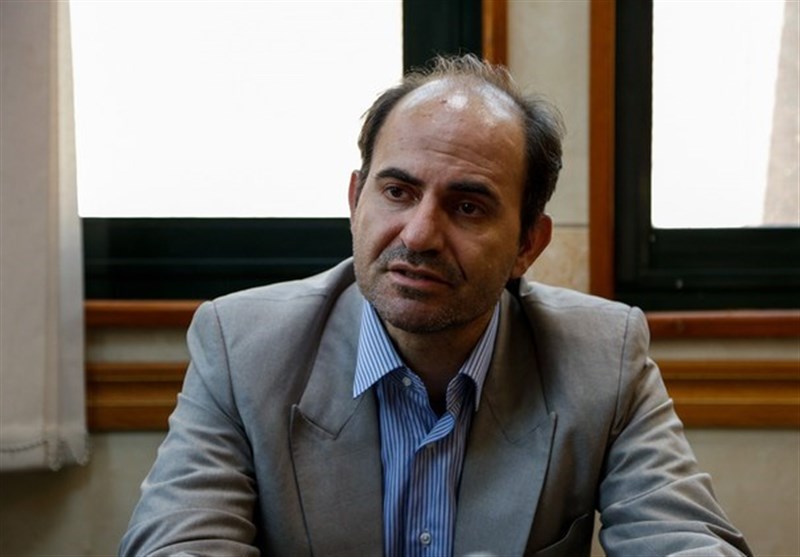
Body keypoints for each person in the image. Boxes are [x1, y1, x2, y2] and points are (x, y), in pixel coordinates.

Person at [120, 55, 751, 557]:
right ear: (355, 201)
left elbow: (684, 539)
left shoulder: (603, 357)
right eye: (397, 192)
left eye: (468, 206)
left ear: (528, 245)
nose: (419, 234)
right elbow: (180, 541)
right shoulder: (241, 345)